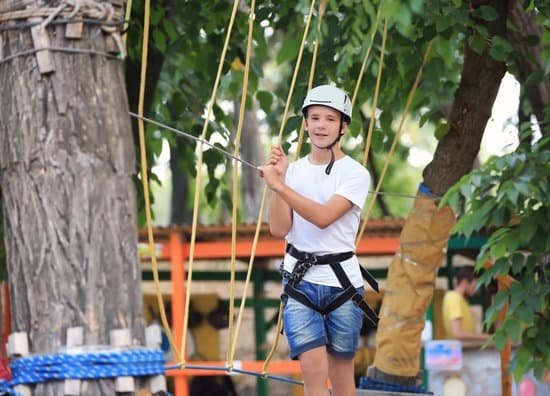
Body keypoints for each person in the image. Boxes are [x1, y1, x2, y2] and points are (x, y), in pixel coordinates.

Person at [259, 85, 377, 396]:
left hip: (342, 284)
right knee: (312, 375)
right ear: (306, 124)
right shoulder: (293, 172)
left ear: (343, 126)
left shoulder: (355, 174)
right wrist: (279, 182)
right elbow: (279, 228)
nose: (321, 125)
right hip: (301, 283)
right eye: (314, 118)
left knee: (341, 379)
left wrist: (281, 186)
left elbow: (324, 217)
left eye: (329, 118)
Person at [442, 265, 490, 344]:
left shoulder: (457, 298)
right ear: (464, 281)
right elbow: (457, 334)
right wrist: (485, 337)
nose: (475, 289)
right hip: (460, 352)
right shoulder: (455, 299)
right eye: (474, 285)